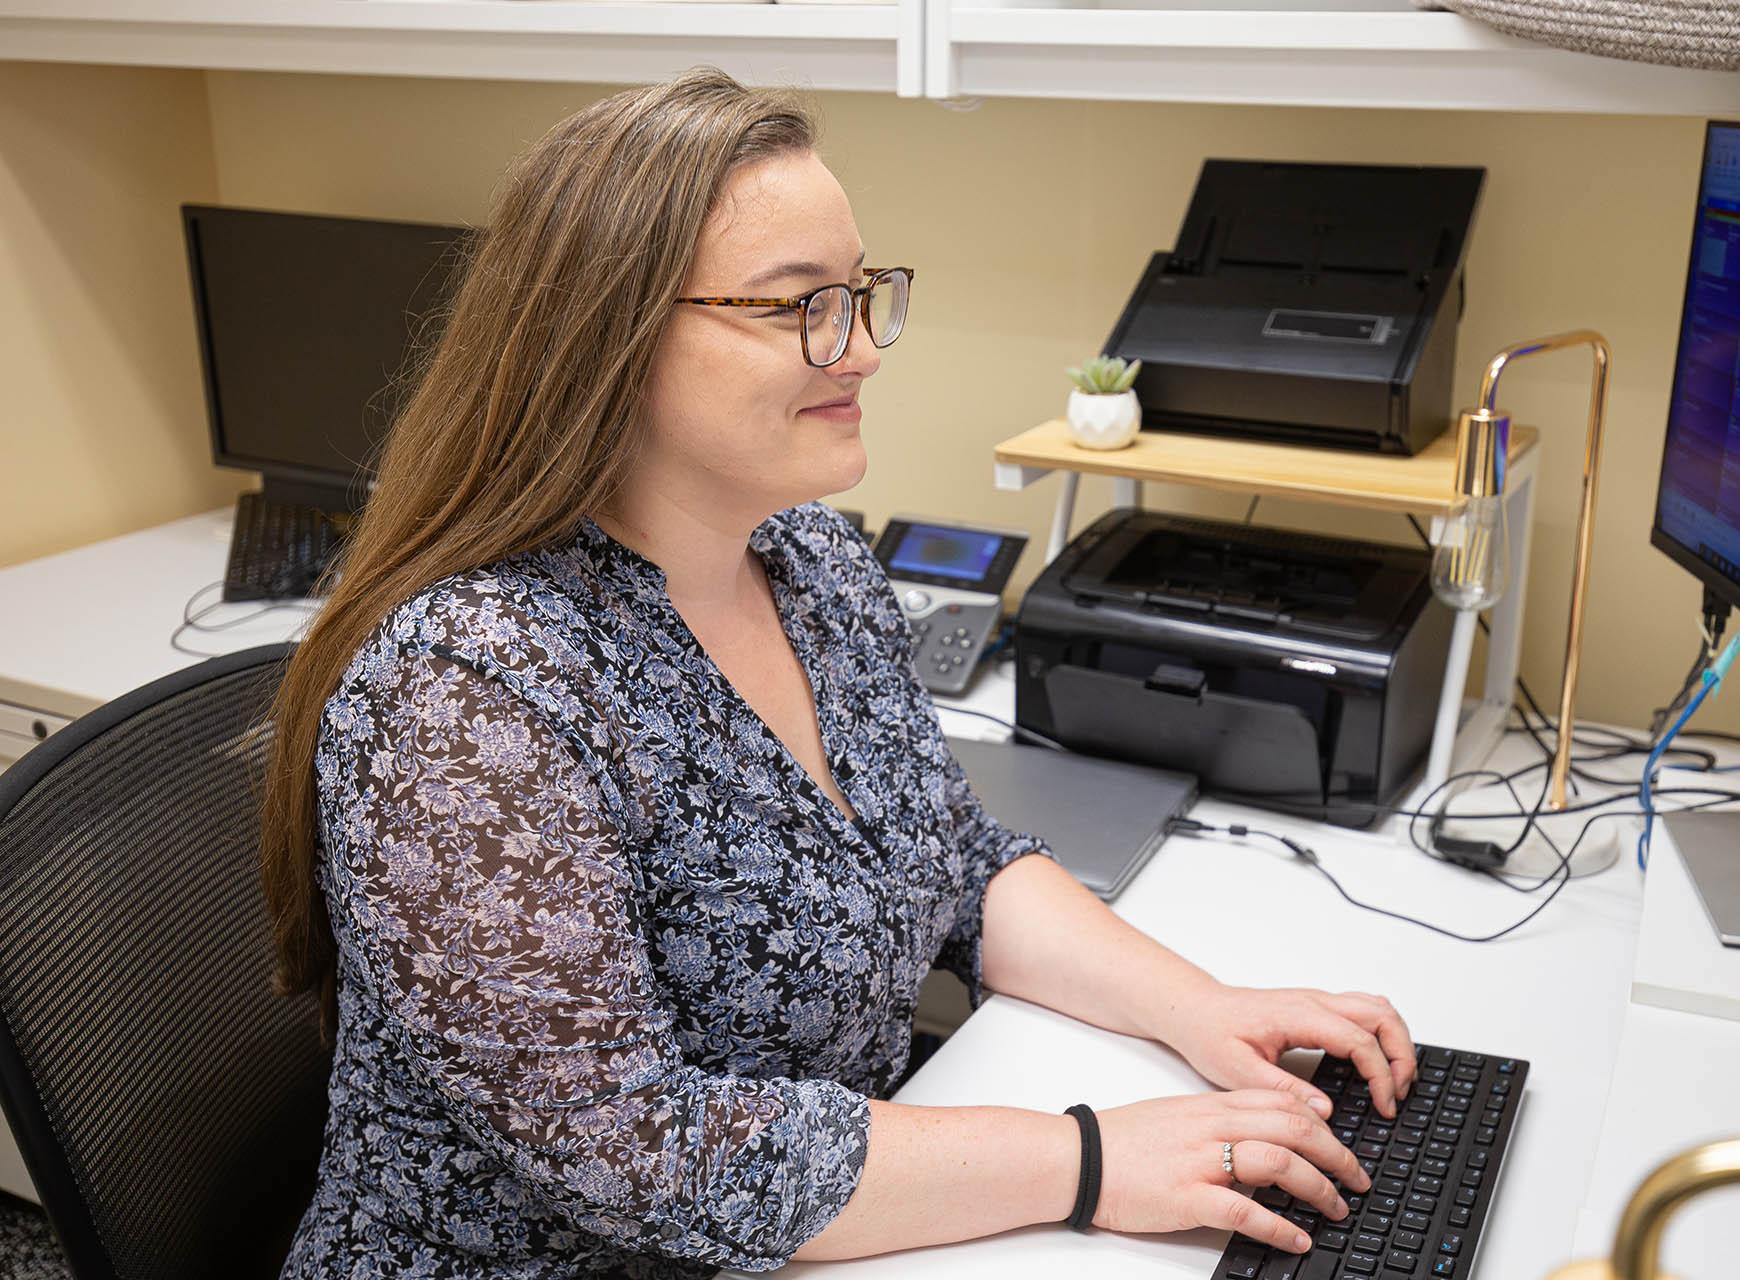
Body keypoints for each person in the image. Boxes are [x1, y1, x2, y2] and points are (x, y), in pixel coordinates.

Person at [258, 67, 1417, 1279]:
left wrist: (1198, 1006)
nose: (860, 346)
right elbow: (638, 1152)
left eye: (861, 294)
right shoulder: (470, 688)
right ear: (605, 335)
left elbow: (950, 860)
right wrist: (1090, 1161)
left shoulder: (808, 555)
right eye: (796, 304)